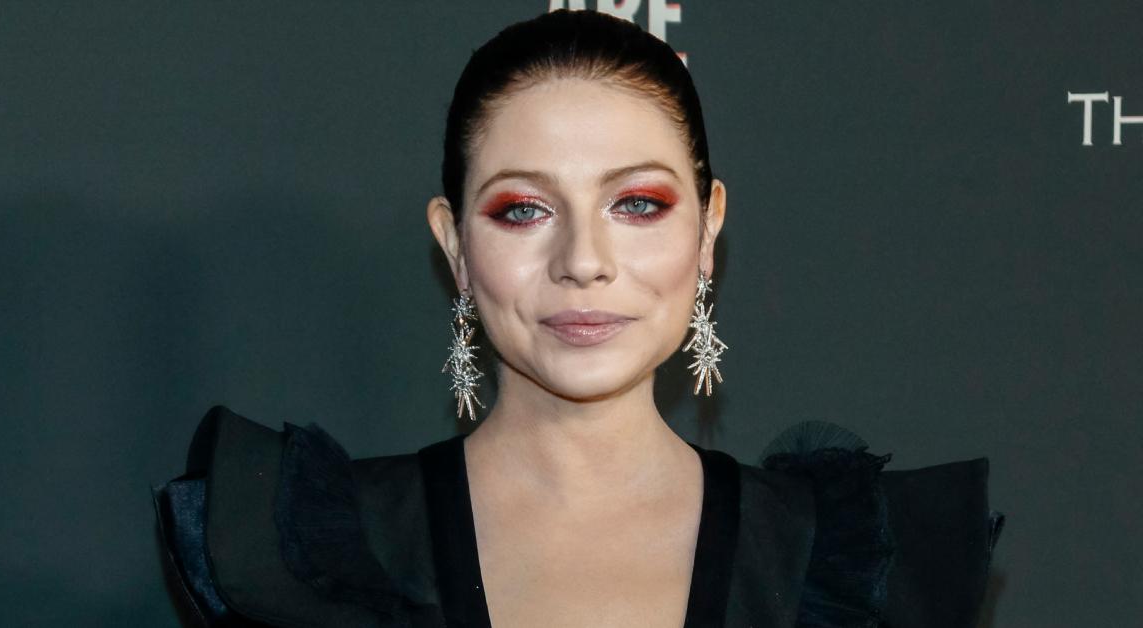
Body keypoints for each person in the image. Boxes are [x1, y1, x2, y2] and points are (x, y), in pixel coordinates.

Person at [152, 9, 1003, 628]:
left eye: (637, 203)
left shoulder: (842, 567)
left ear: (708, 229)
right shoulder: (307, 563)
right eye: (524, 210)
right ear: (453, 244)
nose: (583, 260)